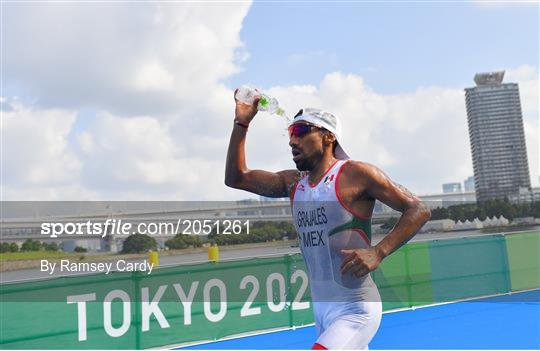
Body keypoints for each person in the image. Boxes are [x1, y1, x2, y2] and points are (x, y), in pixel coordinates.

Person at [225, 92, 431, 350]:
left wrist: (379, 251)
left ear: (329, 136)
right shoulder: (293, 183)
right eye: (290, 133)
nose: (292, 140)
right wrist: (241, 123)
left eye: (301, 131)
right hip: (322, 313)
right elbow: (236, 178)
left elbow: (418, 209)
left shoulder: (355, 174)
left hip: (357, 309)